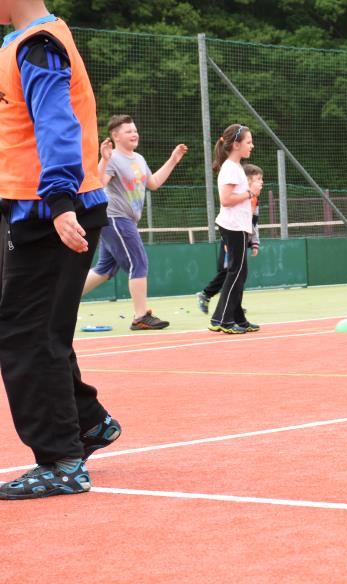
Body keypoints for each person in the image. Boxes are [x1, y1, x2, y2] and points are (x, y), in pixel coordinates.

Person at [0, 4, 121, 499]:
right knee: (39, 330)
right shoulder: (22, 43)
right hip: (34, 209)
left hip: (51, 212)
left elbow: (57, 123)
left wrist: (59, 201)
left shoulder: (38, 46)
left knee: (27, 335)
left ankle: (61, 462)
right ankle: (87, 424)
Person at [81, 115, 188, 329]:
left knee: (104, 270)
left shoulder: (138, 158)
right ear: (116, 136)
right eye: (129, 131)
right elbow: (98, 183)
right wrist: (104, 159)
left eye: (135, 130)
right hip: (115, 218)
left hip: (126, 220)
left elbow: (153, 183)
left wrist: (173, 160)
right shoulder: (112, 158)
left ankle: (60, 299)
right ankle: (140, 317)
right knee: (138, 262)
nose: (134, 134)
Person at [208, 124, 263, 334]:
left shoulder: (236, 167)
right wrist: (250, 192)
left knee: (240, 273)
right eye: (248, 142)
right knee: (236, 272)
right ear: (236, 145)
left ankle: (235, 318)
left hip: (238, 227)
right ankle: (224, 319)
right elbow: (226, 199)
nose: (252, 145)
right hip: (233, 227)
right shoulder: (230, 168)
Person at [197, 162, 263, 325]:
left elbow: (253, 223)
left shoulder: (254, 200)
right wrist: (227, 241)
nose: (262, 182)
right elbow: (230, 217)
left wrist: (254, 242)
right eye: (258, 179)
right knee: (231, 273)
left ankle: (236, 314)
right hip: (231, 237)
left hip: (242, 237)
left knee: (238, 274)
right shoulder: (240, 195)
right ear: (248, 181)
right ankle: (220, 312)